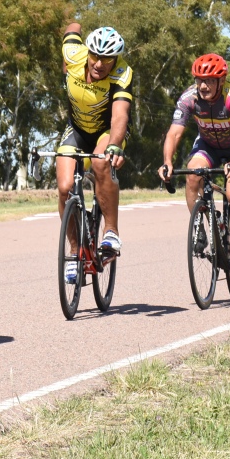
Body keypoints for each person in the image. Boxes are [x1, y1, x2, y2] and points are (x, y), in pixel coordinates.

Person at [158, 53, 230, 275]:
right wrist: (167, 162)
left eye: (210, 80)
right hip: (208, 145)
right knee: (192, 175)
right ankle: (199, 227)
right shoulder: (188, 98)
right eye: (200, 80)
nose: (203, 86)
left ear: (221, 81)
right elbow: (174, 134)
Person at [58, 23, 132, 284]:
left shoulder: (122, 74)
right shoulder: (73, 54)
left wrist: (115, 145)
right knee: (65, 187)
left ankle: (111, 231)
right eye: (95, 56)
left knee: (102, 166)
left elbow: (120, 115)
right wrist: (76, 25)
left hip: (105, 131)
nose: (99, 64)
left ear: (116, 60)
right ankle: (74, 250)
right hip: (76, 129)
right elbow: (71, 29)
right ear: (87, 51)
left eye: (107, 59)